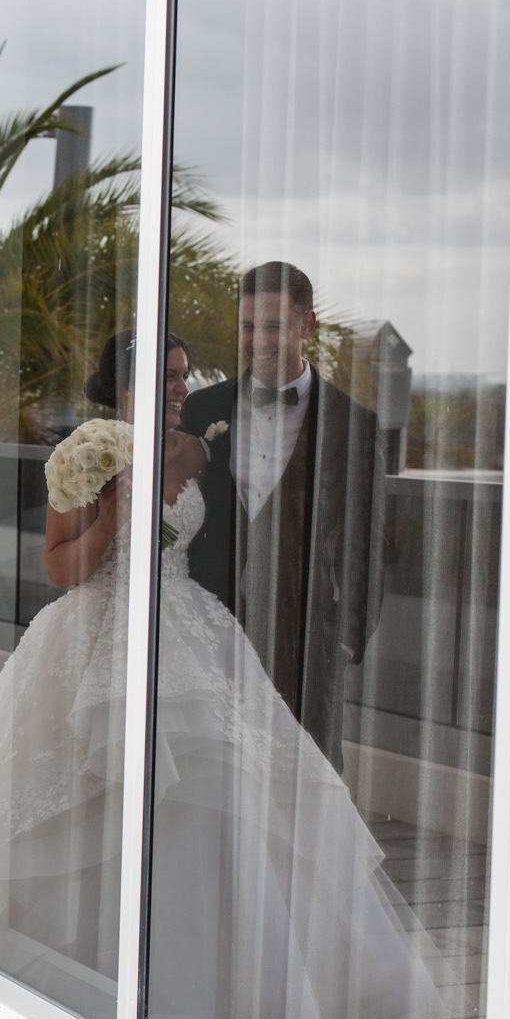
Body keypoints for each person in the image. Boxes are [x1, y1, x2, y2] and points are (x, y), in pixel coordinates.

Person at [0, 330, 441, 1019]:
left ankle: (238, 995)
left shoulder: (194, 450)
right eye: (165, 377)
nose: (179, 388)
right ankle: (104, 983)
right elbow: (62, 569)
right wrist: (109, 521)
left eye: (184, 375)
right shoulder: (83, 453)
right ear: (122, 383)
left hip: (193, 632)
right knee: (109, 801)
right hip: (96, 635)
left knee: (227, 790)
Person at [181, 262, 386, 770]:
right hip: (209, 628)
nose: (257, 340)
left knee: (308, 779)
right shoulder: (202, 408)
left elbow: (368, 542)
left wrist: (342, 641)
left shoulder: (354, 424)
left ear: (307, 325)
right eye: (248, 326)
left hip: (308, 644)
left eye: (273, 325)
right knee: (211, 774)